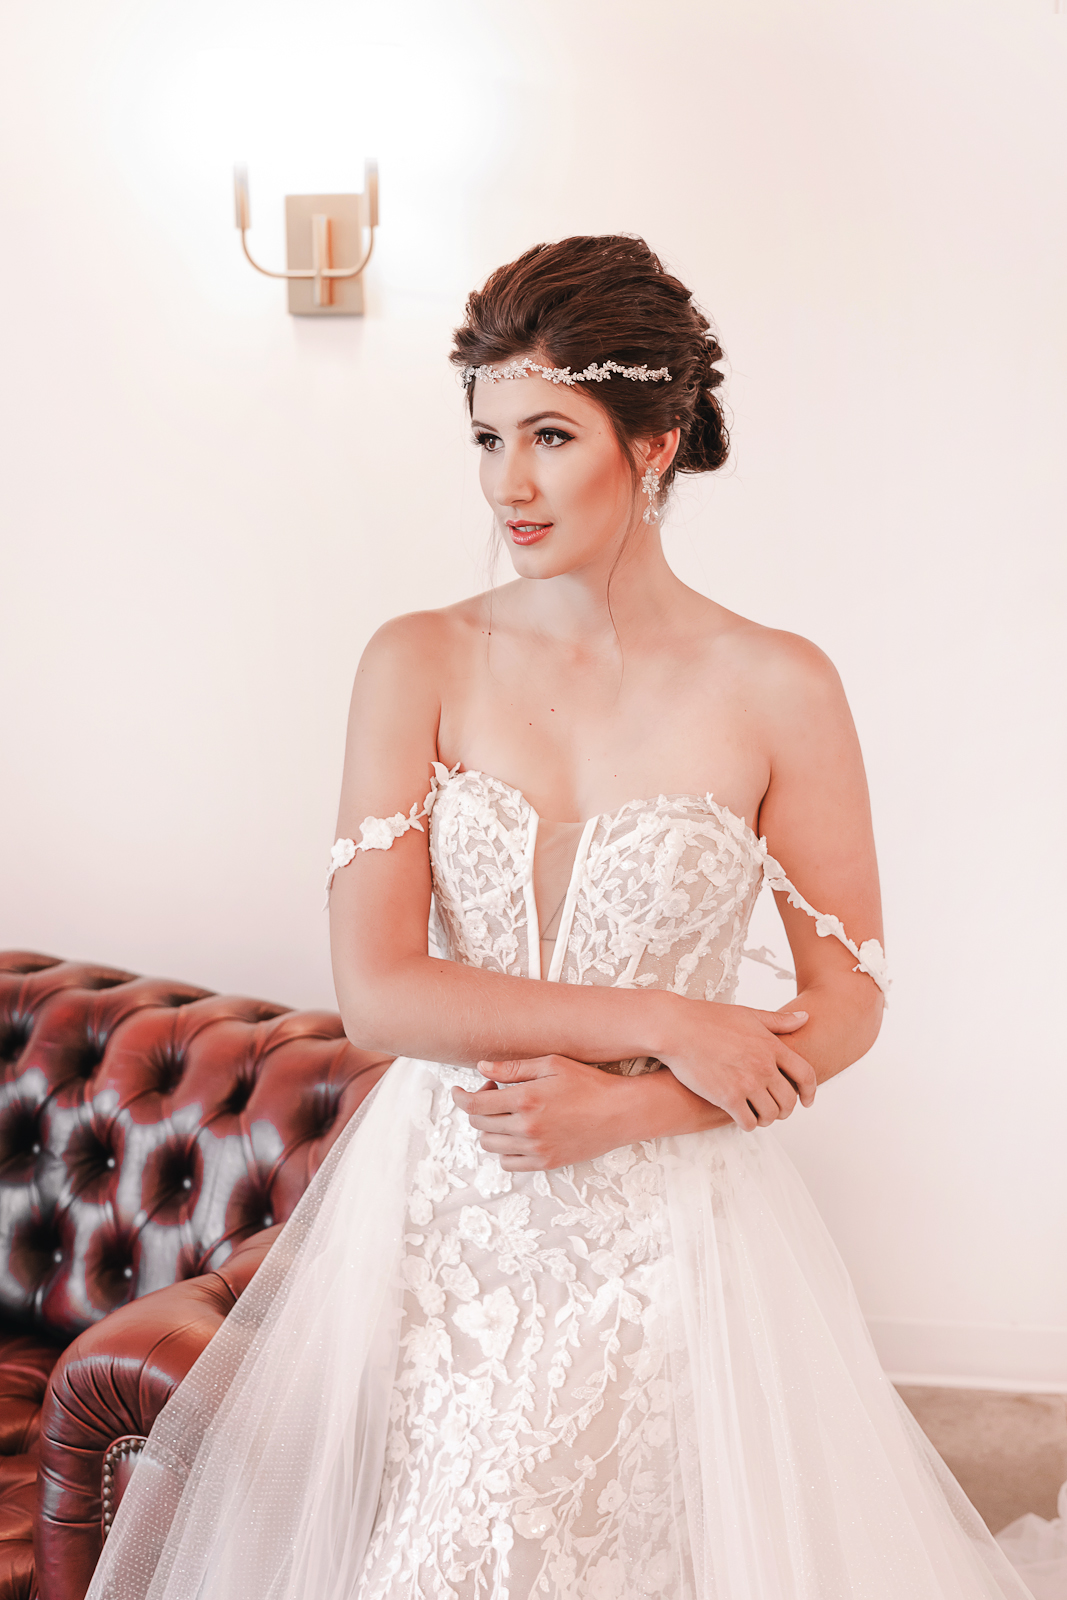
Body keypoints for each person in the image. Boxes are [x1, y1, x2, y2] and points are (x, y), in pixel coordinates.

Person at [87, 235, 1034, 1599]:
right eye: (488, 438)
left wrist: (641, 1104)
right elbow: (381, 990)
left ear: (654, 444)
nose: (507, 484)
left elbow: (849, 998)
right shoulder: (417, 659)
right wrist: (665, 1019)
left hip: (664, 1228)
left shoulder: (781, 685)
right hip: (441, 1212)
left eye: (549, 436)